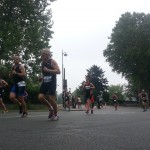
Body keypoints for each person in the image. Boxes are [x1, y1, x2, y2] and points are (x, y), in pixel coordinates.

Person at [38, 48, 60, 121]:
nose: (42, 55)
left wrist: (48, 70)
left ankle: (56, 114)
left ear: (48, 54)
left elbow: (58, 71)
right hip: (45, 81)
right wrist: (41, 77)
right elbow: (44, 73)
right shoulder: (42, 63)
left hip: (52, 82)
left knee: (51, 98)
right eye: (42, 53)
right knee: (40, 97)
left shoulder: (52, 61)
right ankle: (50, 108)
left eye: (44, 53)